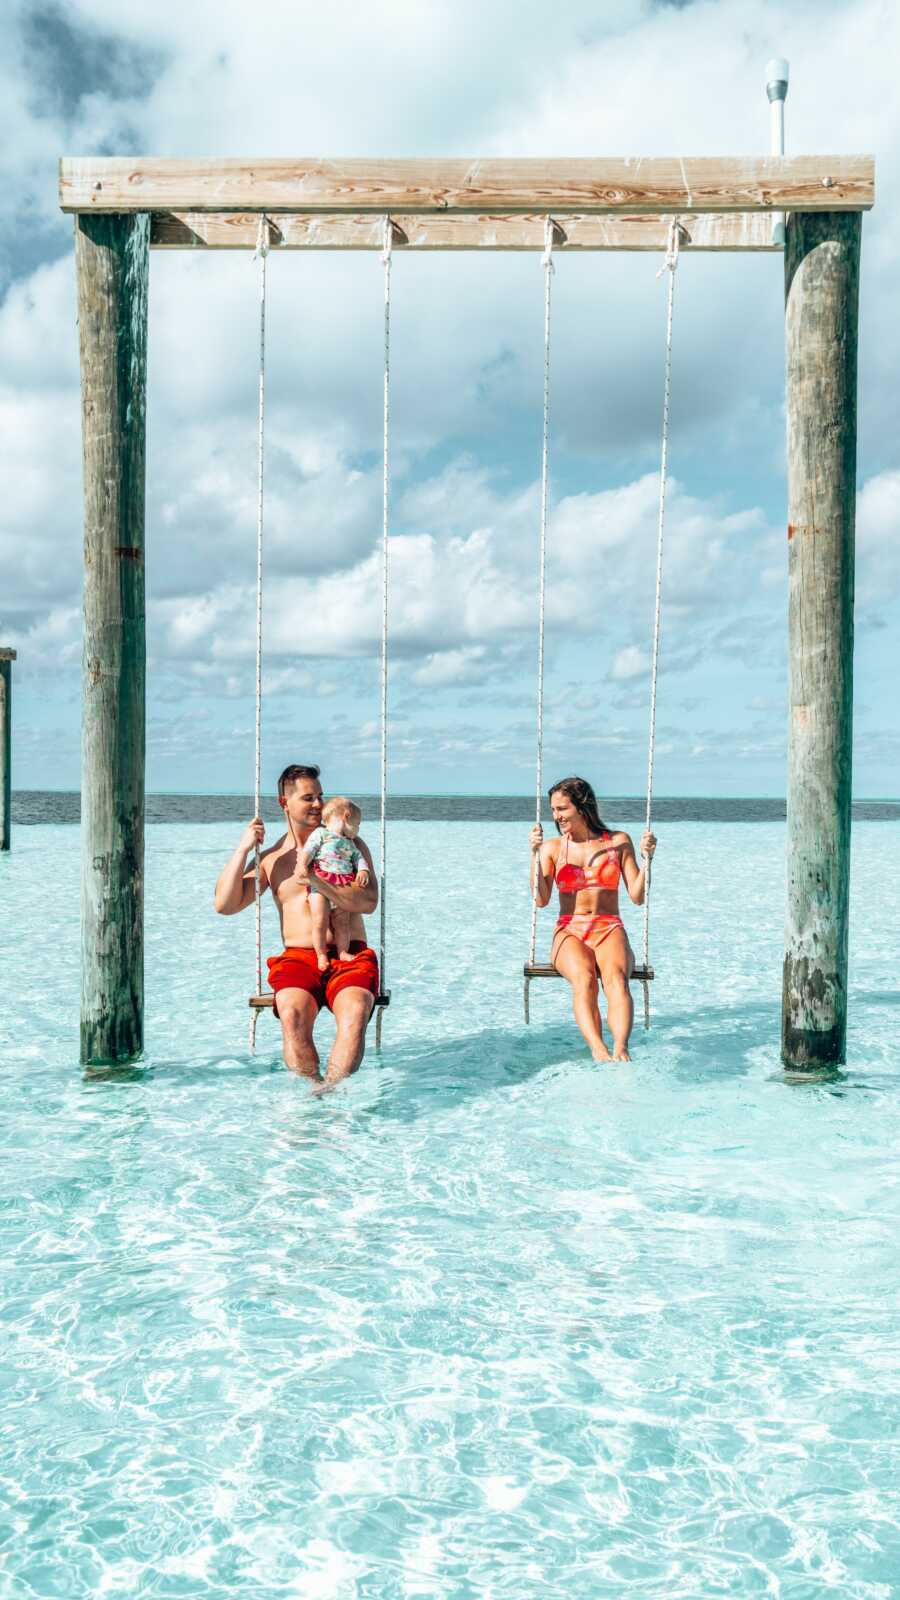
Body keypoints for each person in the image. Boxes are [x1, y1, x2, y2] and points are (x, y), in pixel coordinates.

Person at [215, 764, 379, 1086]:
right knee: (291, 1014)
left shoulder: (351, 847)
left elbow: (369, 902)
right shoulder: (273, 857)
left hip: (349, 952)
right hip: (300, 956)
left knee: (357, 1010)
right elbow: (225, 904)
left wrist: (317, 880)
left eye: (320, 796)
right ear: (284, 803)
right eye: (308, 798)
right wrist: (244, 848)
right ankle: (313, 1091)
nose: (319, 804)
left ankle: (331, 1091)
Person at [529, 775, 657, 1063]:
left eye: (562, 809)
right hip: (569, 930)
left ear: (582, 806)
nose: (556, 816)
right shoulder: (552, 848)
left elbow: (637, 896)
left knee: (615, 979)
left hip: (608, 926)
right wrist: (533, 855)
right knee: (585, 978)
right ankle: (598, 1049)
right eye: (553, 810)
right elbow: (540, 899)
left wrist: (648, 860)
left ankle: (621, 1048)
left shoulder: (618, 842)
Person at [295, 796, 370, 970]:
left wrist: (363, 870)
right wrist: (302, 864)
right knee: (319, 920)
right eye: (357, 824)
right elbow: (309, 850)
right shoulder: (322, 833)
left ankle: (342, 951)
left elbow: (358, 858)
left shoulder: (350, 843)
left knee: (342, 922)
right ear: (346, 816)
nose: (357, 830)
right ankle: (321, 954)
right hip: (320, 886)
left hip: (341, 886)